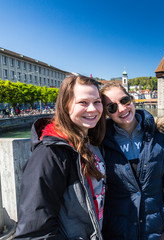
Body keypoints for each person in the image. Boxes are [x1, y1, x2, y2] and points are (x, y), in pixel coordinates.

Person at [14, 74, 106, 239]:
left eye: (97, 102)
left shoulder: (91, 142)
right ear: (65, 106)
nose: (93, 109)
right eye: (83, 102)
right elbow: (34, 232)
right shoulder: (49, 154)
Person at [100, 82, 164, 240]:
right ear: (106, 113)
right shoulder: (101, 140)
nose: (122, 109)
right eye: (112, 107)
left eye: (124, 100)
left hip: (155, 228)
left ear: (131, 99)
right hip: (118, 230)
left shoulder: (160, 135)